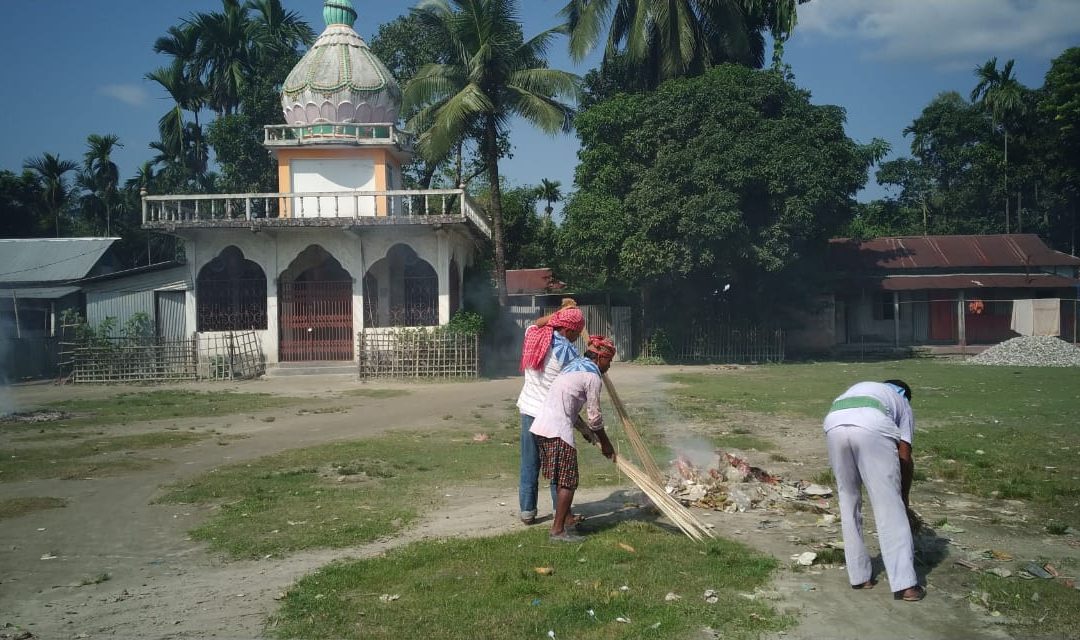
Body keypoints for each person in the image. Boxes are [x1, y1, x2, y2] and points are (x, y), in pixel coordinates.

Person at [823, 379, 925, 602]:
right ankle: (906, 585)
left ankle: (860, 577)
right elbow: (904, 454)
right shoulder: (903, 403)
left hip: (833, 423)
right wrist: (903, 498)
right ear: (906, 395)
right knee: (888, 505)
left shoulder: (863, 388)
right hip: (873, 425)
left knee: (848, 500)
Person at [530, 335, 617, 542]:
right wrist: (605, 443)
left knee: (561, 477)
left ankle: (567, 518)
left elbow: (570, 407)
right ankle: (557, 531)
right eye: (609, 361)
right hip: (557, 429)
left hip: (542, 427)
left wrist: (585, 431)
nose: (609, 366)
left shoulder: (574, 367)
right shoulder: (592, 377)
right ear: (599, 358)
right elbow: (595, 417)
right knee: (568, 481)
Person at [515, 300, 584, 524]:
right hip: (551, 417)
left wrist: (560, 313)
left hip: (528, 410)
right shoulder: (568, 354)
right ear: (567, 329)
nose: (578, 336)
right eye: (577, 332)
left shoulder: (533, 335)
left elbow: (537, 322)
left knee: (529, 463)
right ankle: (559, 511)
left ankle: (527, 511)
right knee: (557, 466)